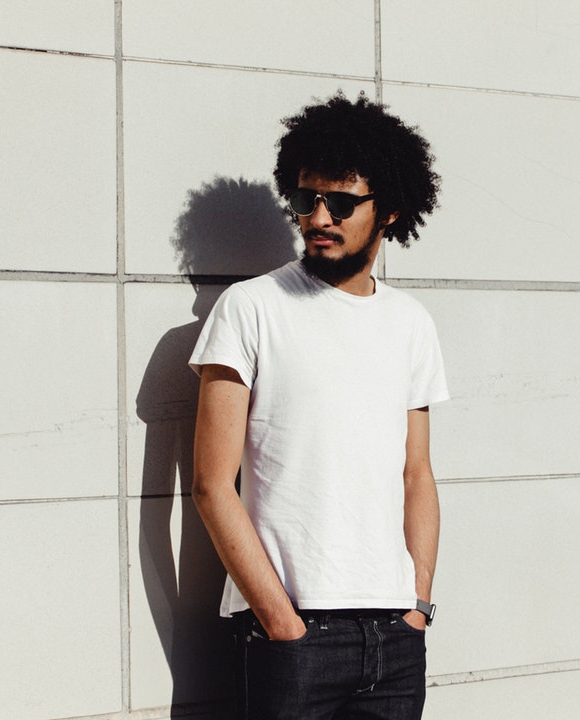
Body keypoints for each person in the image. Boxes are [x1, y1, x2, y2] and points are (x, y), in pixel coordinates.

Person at [188, 91, 447, 720]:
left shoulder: (410, 323)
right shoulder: (251, 308)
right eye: (307, 199)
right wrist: (281, 621)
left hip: (394, 635)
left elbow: (417, 474)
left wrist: (418, 606)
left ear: (389, 211)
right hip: (293, 634)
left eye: (342, 201)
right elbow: (209, 484)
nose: (319, 217)